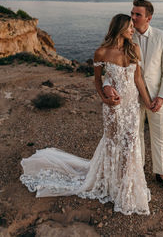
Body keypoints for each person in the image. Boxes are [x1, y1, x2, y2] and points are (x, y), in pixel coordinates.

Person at [20, 14, 152, 215]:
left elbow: (139, 80)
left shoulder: (134, 49)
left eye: (133, 26)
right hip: (113, 107)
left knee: (130, 144)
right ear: (119, 28)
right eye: (130, 26)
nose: (133, 29)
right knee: (113, 142)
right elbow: (98, 81)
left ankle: (126, 188)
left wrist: (149, 103)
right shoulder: (101, 53)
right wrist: (104, 97)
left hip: (132, 107)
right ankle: (110, 184)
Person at [103, 0, 163, 195]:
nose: (133, 17)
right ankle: (139, 169)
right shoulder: (125, 34)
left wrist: (162, 97)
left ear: (148, 18)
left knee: (158, 135)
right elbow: (109, 69)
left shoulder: (162, 37)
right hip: (132, 98)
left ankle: (162, 174)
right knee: (135, 136)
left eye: (137, 14)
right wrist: (107, 86)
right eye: (132, 13)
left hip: (156, 97)